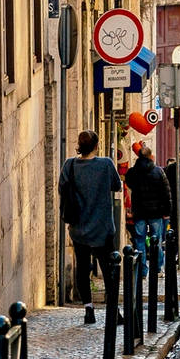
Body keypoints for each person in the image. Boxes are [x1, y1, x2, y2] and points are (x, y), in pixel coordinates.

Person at [58, 130, 119, 318]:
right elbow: (116, 185)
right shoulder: (106, 164)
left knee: (83, 269)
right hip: (102, 227)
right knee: (109, 270)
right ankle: (113, 311)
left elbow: (62, 189)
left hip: (79, 228)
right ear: (96, 146)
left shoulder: (70, 165)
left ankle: (88, 308)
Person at [124, 144, 173, 277]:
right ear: (151, 156)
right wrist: (167, 211)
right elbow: (166, 192)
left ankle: (142, 271)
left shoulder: (133, 172)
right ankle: (157, 269)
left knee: (140, 241)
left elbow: (128, 181)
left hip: (139, 212)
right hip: (155, 212)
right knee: (156, 240)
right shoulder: (158, 171)